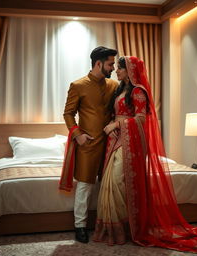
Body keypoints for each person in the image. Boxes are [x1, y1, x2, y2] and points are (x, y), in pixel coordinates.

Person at [92, 56, 197, 253]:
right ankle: (117, 230)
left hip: (129, 142)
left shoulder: (138, 91)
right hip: (115, 140)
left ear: (130, 70)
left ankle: (129, 228)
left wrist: (117, 124)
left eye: (120, 68)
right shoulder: (120, 89)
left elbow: (141, 119)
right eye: (116, 68)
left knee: (117, 180)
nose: (117, 71)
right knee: (110, 182)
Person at [59, 46, 118, 243]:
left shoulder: (113, 85)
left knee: (107, 185)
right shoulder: (78, 85)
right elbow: (68, 113)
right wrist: (77, 135)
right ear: (98, 63)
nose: (113, 67)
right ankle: (80, 226)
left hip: (110, 144)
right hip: (88, 144)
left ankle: (105, 223)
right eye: (110, 63)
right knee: (84, 186)